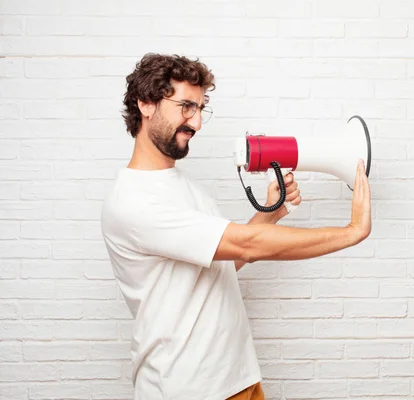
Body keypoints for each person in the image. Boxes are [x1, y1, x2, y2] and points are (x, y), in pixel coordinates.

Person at [100, 53, 371, 400]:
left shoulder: (179, 183)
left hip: (235, 378)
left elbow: (223, 262)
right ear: (146, 103)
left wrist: (271, 212)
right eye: (186, 106)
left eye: (200, 109)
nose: (196, 123)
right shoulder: (134, 200)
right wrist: (351, 231)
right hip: (188, 389)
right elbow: (247, 246)